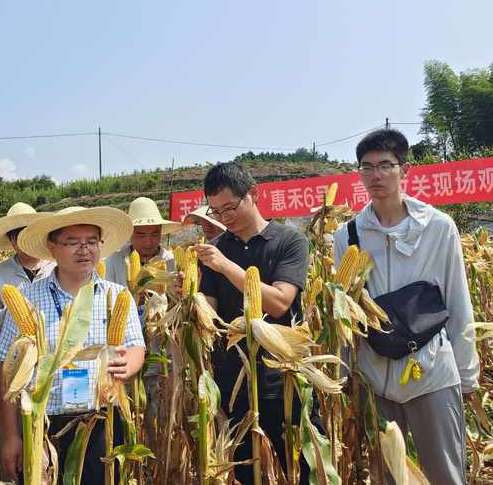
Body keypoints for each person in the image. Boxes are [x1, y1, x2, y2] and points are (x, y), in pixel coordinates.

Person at [334, 128, 479, 485]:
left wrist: (466, 374)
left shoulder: (438, 228)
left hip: (431, 374)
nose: (376, 175)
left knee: (445, 474)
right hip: (375, 379)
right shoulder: (347, 235)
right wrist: (342, 375)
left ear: (405, 170)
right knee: (385, 476)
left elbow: (457, 301)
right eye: (366, 168)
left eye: (385, 165)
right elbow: (343, 310)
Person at [0, 206, 146, 484]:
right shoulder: (26, 300)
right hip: (43, 424)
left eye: (91, 242)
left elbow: (136, 346)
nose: (84, 250)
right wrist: (11, 437)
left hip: (102, 422)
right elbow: (7, 372)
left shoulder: (117, 295)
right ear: (52, 247)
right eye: (73, 242)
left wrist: (130, 363)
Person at [196, 162, 312, 484]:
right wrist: (192, 295)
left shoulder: (289, 241)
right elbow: (211, 316)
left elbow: (278, 303)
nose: (224, 218)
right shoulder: (216, 249)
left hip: (281, 381)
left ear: (253, 194)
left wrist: (225, 267)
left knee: (292, 470)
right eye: (216, 212)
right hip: (233, 386)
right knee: (245, 473)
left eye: (230, 208)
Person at [0, 202, 55, 334]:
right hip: (13, 349)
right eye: (20, 238)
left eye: (31, 237)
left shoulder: (57, 266)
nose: (27, 243)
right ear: (12, 241)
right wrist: (9, 313)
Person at [105, 196, 180, 288]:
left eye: (154, 234)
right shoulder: (113, 261)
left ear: (161, 232)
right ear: (130, 234)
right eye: (141, 235)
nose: (148, 242)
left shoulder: (171, 262)